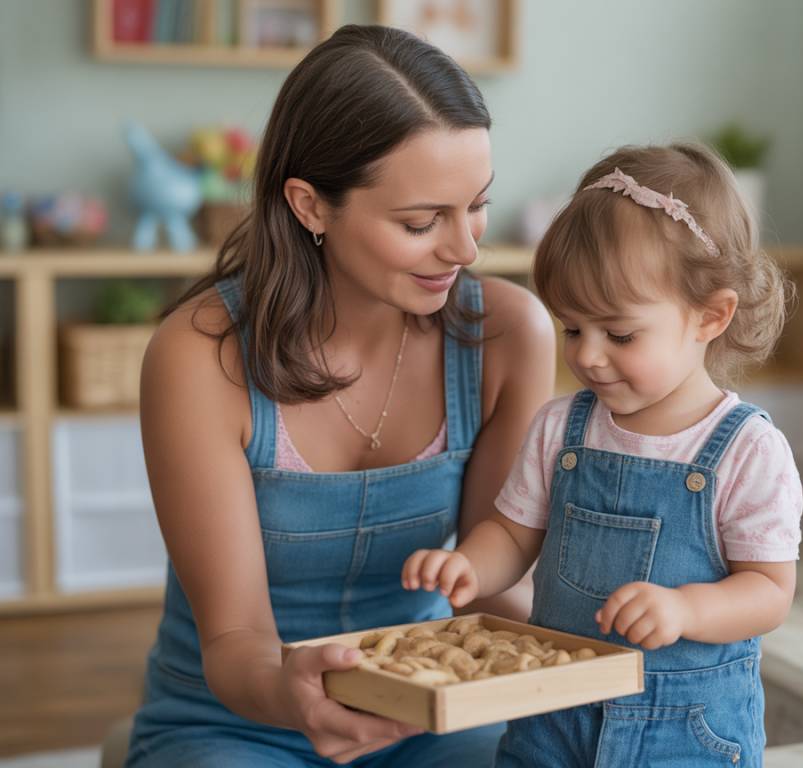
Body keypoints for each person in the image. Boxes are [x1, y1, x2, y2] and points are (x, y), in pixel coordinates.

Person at [126, 24, 554, 768]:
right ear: (310, 205)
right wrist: (298, 695)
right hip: (238, 718)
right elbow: (234, 644)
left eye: (476, 206)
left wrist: (600, 626)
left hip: (431, 705)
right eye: (421, 222)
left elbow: (489, 583)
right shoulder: (199, 357)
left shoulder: (509, 335)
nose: (465, 249)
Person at [403, 143, 803, 767]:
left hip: (684, 730)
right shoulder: (562, 428)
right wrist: (470, 567)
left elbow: (770, 591)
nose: (588, 355)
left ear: (710, 316)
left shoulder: (746, 449)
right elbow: (513, 535)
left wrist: (686, 608)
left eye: (619, 334)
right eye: (572, 329)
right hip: (553, 716)